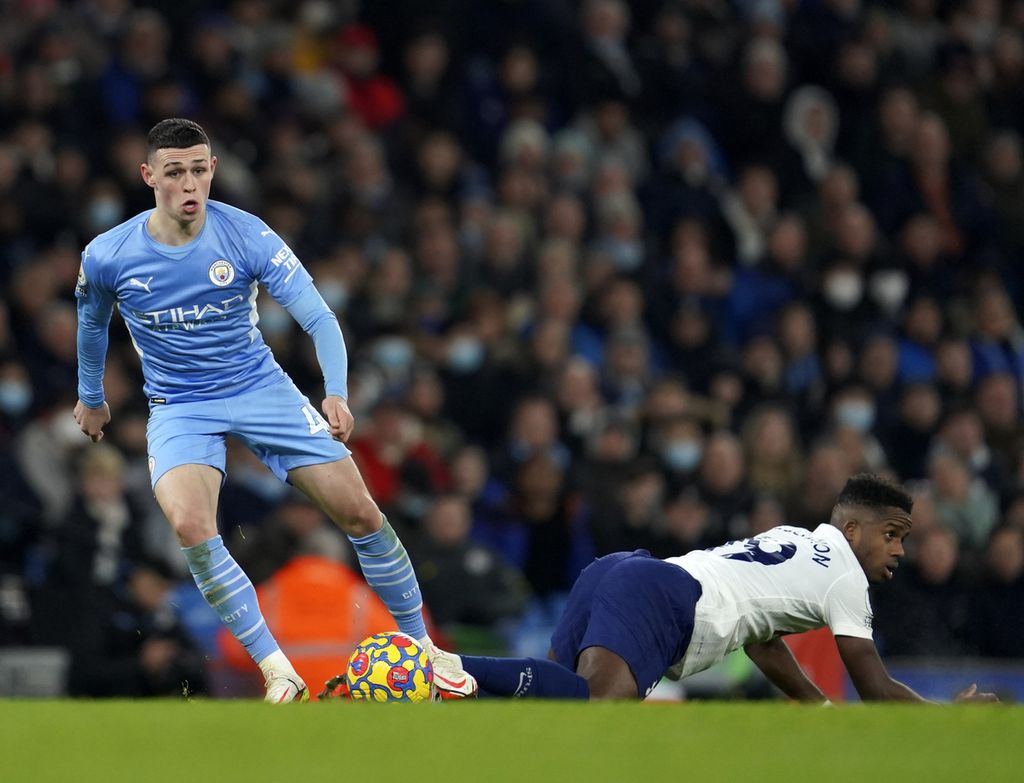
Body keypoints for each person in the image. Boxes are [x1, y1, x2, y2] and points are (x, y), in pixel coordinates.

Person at [73, 118, 475, 703]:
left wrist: (334, 389)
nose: (190, 184)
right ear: (149, 176)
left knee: (361, 513)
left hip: (262, 389)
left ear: (213, 169)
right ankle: (276, 670)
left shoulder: (248, 234)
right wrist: (91, 398)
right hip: (182, 405)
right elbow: (90, 326)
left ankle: (428, 650)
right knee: (191, 524)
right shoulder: (109, 255)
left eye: (200, 169)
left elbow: (319, 316)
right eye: (176, 172)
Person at [440, 474, 996, 703]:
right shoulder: (846, 577)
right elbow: (873, 684)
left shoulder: (795, 537)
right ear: (853, 530)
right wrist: (947, 714)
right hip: (663, 597)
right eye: (892, 535)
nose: (899, 549)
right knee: (592, 705)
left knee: (552, 700)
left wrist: (815, 706)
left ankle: (434, 681)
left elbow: (761, 638)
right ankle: (437, 666)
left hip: (624, 573)